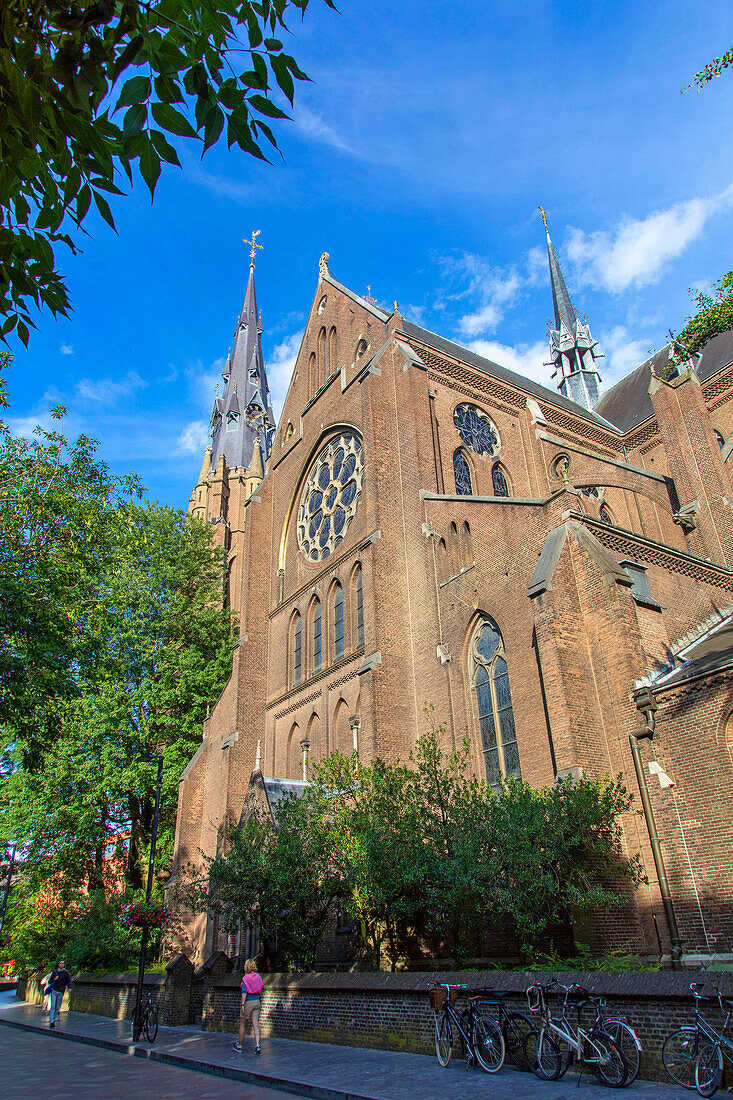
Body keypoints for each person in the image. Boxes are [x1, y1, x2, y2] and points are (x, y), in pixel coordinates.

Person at [232, 958, 263, 1055]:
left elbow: (244, 992)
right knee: (256, 1025)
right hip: (257, 1001)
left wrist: (242, 1004)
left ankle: (239, 1045)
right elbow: (261, 987)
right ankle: (257, 1045)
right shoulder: (258, 976)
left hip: (248, 1002)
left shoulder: (245, 978)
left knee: (242, 1024)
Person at [47, 959, 72, 1029]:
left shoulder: (66, 973)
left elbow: (68, 981)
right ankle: (51, 1021)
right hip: (54, 991)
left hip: (61, 992)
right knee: (52, 1007)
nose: (61, 965)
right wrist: (54, 979)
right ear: (58, 965)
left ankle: (53, 1019)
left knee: (57, 1007)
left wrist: (69, 987)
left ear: (64, 965)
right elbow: (49, 982)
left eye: (63, 963)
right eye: (60, 963)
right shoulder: (55, 973)